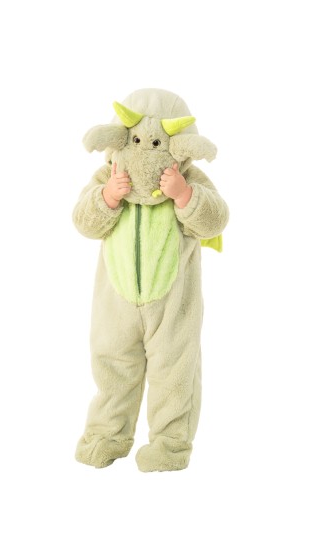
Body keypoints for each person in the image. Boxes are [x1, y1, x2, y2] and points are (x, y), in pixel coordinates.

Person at [73, 88, 229, 471]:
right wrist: (107, 197)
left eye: (157, 143)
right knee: (112, 367)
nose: (145, 152)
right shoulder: (107, 175)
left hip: (173, 305)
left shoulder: (191, 178)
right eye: (137, 141)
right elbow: (84, 222)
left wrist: (185, 195)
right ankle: (107, 435)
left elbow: (215, 219)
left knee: (175, 372)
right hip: (115, 305)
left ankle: (170, 446)